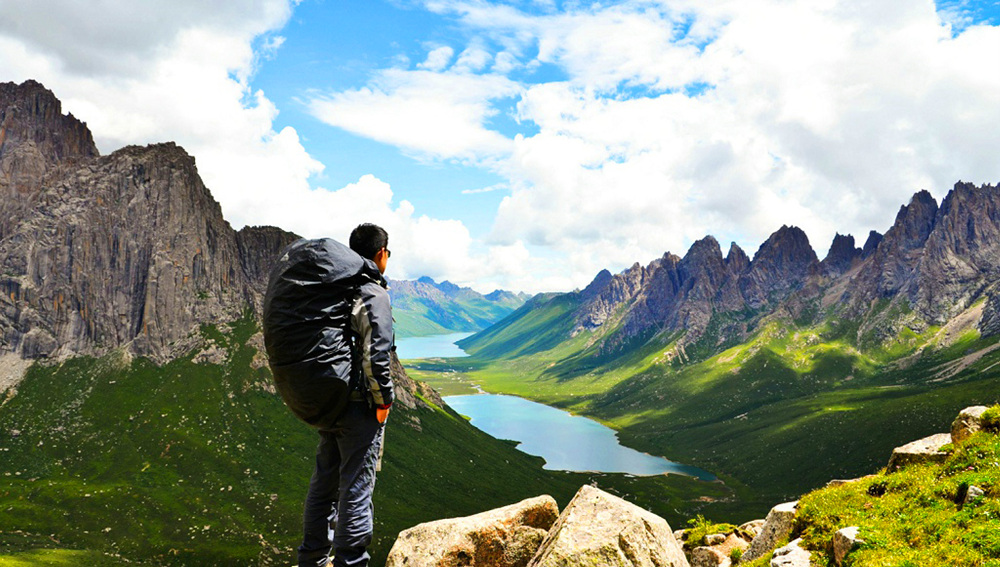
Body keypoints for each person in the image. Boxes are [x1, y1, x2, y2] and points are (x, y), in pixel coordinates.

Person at [297, 223, 395, 567]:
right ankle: (351, 562)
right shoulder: (372, 291)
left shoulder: (335, 288)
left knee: (324, 482)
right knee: (356, 487)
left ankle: (312, 559)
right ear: (381, 253)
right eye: (388, 252)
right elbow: (377, 353)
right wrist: (383, 401)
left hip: (330, 401)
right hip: (357, 407)